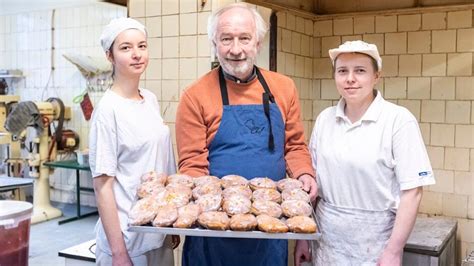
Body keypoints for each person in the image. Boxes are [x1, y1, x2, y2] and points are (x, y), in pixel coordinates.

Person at [175, 3, 317, 266]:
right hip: (213, 233)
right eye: (226, 39)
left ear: (258, 43)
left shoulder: (284, 88)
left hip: (269, 230)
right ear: (214, 43)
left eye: (244, 38)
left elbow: (294, 146)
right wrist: (214, 211)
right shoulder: (195, 96)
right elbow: (192, 166)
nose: (236, 49)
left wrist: (304, 174)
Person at [294, 40, 436, 266]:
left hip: (375, 246)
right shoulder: (325, 119)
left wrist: (393, 250)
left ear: (376, 76)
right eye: (342, 71)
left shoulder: (398, 120)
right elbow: (315, 189)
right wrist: (305, 238)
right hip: (326, 243)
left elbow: (413, 193)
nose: (350, 78)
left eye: (360, 71)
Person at [89, 17, 178, 266]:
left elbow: (160, 165)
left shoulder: (149, 99)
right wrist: (119, 253)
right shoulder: (108, 110)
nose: (137, 54)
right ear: (110, 56)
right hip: (127, 241)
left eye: (142, 46)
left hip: (156, 233)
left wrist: (168, 223)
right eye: (126, 48)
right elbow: (103, 186)